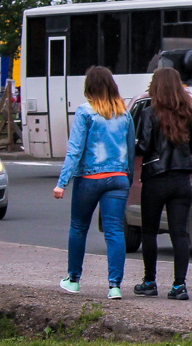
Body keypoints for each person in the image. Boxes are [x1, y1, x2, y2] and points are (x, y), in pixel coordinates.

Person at [54, 67, 134, 299]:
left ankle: (73, 279)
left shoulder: (85, 112)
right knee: (114, 231)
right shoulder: (124, 114)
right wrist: (126, 177)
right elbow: (130, 150)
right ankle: (114, 286)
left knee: (79, 228)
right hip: (118, 178)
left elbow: (75, 150)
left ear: (89, 87)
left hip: (89, 178)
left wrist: (62, 182)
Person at [132, 68, 192, 301]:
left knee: (150, 232)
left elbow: (142, 147)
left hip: (155, 178)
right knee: (179, 235)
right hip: (181, 180)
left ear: (156, 87)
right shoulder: (188, 114)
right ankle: (179, 286)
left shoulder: (148, 113)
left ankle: (150, 282)